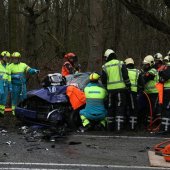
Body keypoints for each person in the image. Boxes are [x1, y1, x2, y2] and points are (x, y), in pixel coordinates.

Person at [101, 49, 131, 131]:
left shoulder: (105, 66)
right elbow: (125, 76)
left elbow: (103, 80)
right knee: (120, 108)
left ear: (107, 56)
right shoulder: (120, 63)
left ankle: (110, 128)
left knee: (110, 108)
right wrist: (128, 85)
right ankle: (119, 128)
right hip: (121, 90)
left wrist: (106, 87)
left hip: (110, 91)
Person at [138, 55, 159, 128]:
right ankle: (146, 124)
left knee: (152, 109)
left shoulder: (153, 70)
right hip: (147, 93)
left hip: (154, 93)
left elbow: (146, 78)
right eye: (145, 64)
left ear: (151, 64)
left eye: (147, 64)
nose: (145, 66)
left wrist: (141, 76)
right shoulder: (146, 71)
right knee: (146, 108)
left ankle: (151, 125)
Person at [124, 58, 140, 130]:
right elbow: (141, 84)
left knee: (124, 108)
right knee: (133, 109)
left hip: (124, 92)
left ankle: (124, 125)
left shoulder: (124, 71)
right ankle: (132, 126)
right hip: (133, 93)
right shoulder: (138, 72)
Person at [0, 51, 12, 116]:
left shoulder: (8, 66)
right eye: (6, 57)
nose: (7, 59)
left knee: (3, 100)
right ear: (2, 57)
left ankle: (1, 113)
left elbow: (9, 76)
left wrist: (10, 86)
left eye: (8, 58)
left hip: (6, 84)